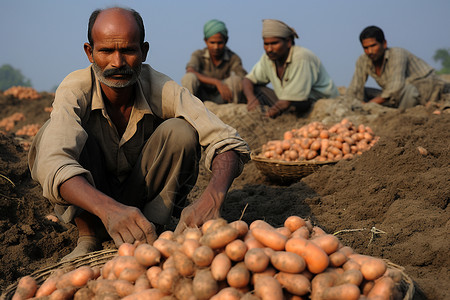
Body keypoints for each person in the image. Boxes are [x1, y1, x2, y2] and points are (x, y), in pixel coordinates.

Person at [28, 7, 250, 262]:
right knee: (50, 135)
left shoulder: (161, 87)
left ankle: (153, 229)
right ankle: (89, 235)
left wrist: (213, 197)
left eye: (128, 51)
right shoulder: (75, 89)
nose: (117, 63)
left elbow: (227, 140)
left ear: (143, 51)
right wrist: (108, 209)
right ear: (90, 53)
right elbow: (53, 162)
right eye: (106, 51)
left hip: (143, 200)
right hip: (93, 200)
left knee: (180, 131)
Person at [243, 19, 339, 118]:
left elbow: (289, 100)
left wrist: (267, 116)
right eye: (266, 44)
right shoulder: (268, 58)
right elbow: (248, 80)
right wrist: (251, 99)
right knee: (255, 89)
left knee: (293, 104)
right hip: (285, 100)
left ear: (288, 42)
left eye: (274, 43)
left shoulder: (301, 58)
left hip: (313, 102)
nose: (269, 49)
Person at [346, 25, 448, 109]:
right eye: (366, 48)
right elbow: (354, 88)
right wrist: (351, 103)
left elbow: (396, 88)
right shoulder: (363, 60)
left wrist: (369, 105)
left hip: (423, 89)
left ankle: (402, 116)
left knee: (408, 90)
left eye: (373, 46)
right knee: (363, 92)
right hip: (396, 96)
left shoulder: (397, 54)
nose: (370, 51)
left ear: (384, 44)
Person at [181, 19, 247, 104]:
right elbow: (190, 70)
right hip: (200, 99)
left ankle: (232, 111)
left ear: (226, 41)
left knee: (235, 80)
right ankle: (188, 108)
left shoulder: (233, 58)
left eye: (219, 43)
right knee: (189, 77)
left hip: (223, 99)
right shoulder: (198, 55)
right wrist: (216, 82)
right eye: (212, 42)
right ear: (206, 41)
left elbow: (242, 77)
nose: (216, 47)